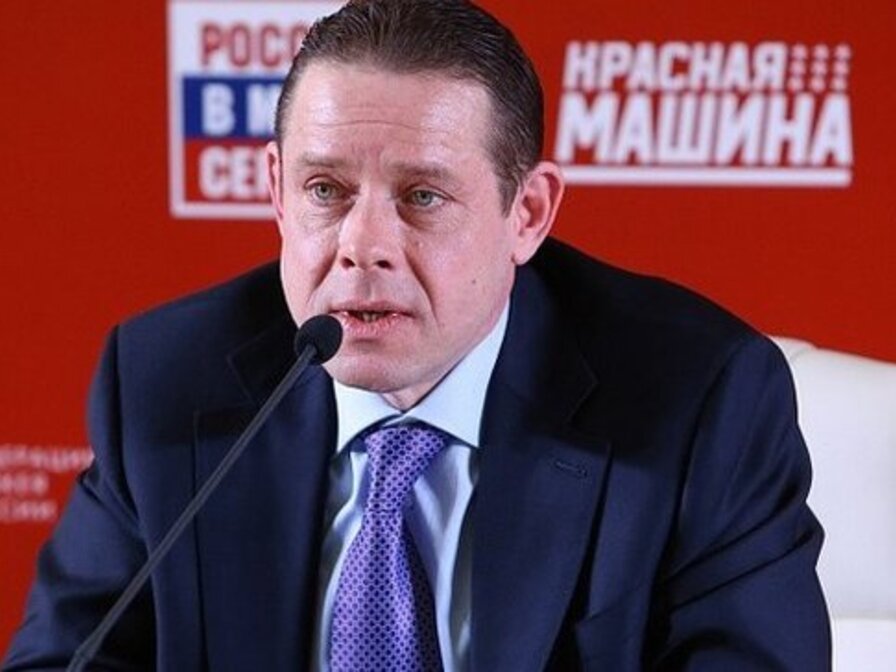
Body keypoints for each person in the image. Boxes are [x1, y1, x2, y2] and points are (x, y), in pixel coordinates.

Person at [4, 1, 830, 670]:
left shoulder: (697, 402)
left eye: (422, 197)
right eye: (325, 189)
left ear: (527, 214)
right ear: (277, 193)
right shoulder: (167, 383)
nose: (364, 245)